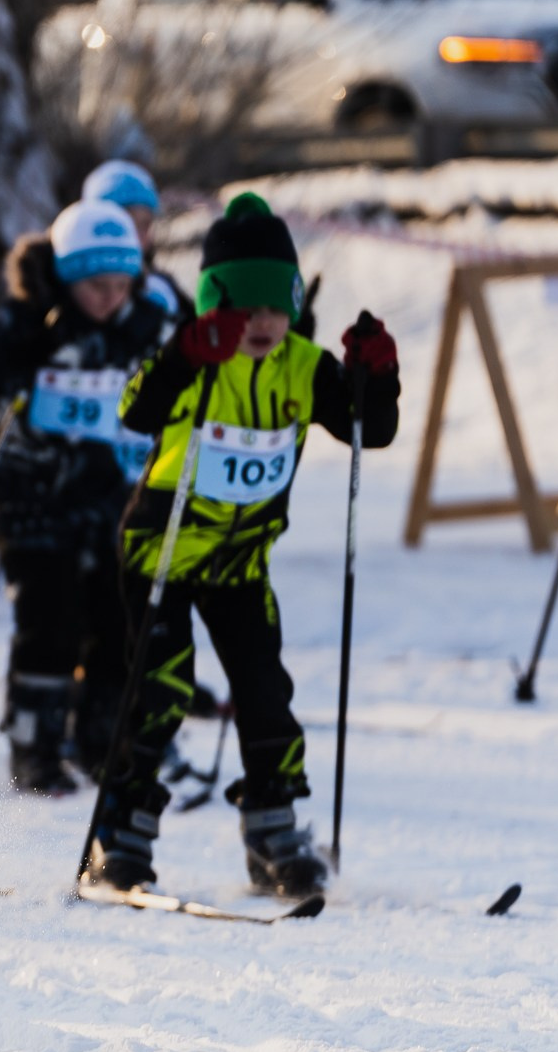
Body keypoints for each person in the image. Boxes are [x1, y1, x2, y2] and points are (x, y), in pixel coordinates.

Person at [88, 193, 399, 898]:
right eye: (242, 309)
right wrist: (182, 357)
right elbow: (137, 407)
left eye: (273, 308)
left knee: (265, 693)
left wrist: (375, 379)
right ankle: (120, 834)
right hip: (160, 554)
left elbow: (366, 430)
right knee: (160, 691)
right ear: (212, 306)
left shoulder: (301, 364)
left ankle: (274, 833)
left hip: (238, 564)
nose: (259, 324)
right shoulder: (196, 355)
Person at [0, 199, 170, 796]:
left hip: (110, 493)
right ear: (67, 276)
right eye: (97, 285)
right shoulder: (23, 320)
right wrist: (14, 347)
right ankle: (34, 747)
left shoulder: (142, 323)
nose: (111, 297)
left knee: (118, 617)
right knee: (50, 619)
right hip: (29, 494)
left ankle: (101, 740)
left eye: (123, 284)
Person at [84, 158, 185, 321]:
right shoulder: (78, 295)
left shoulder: (162, 286)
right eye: (125, 225)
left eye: (145, 224)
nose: (137, 236)